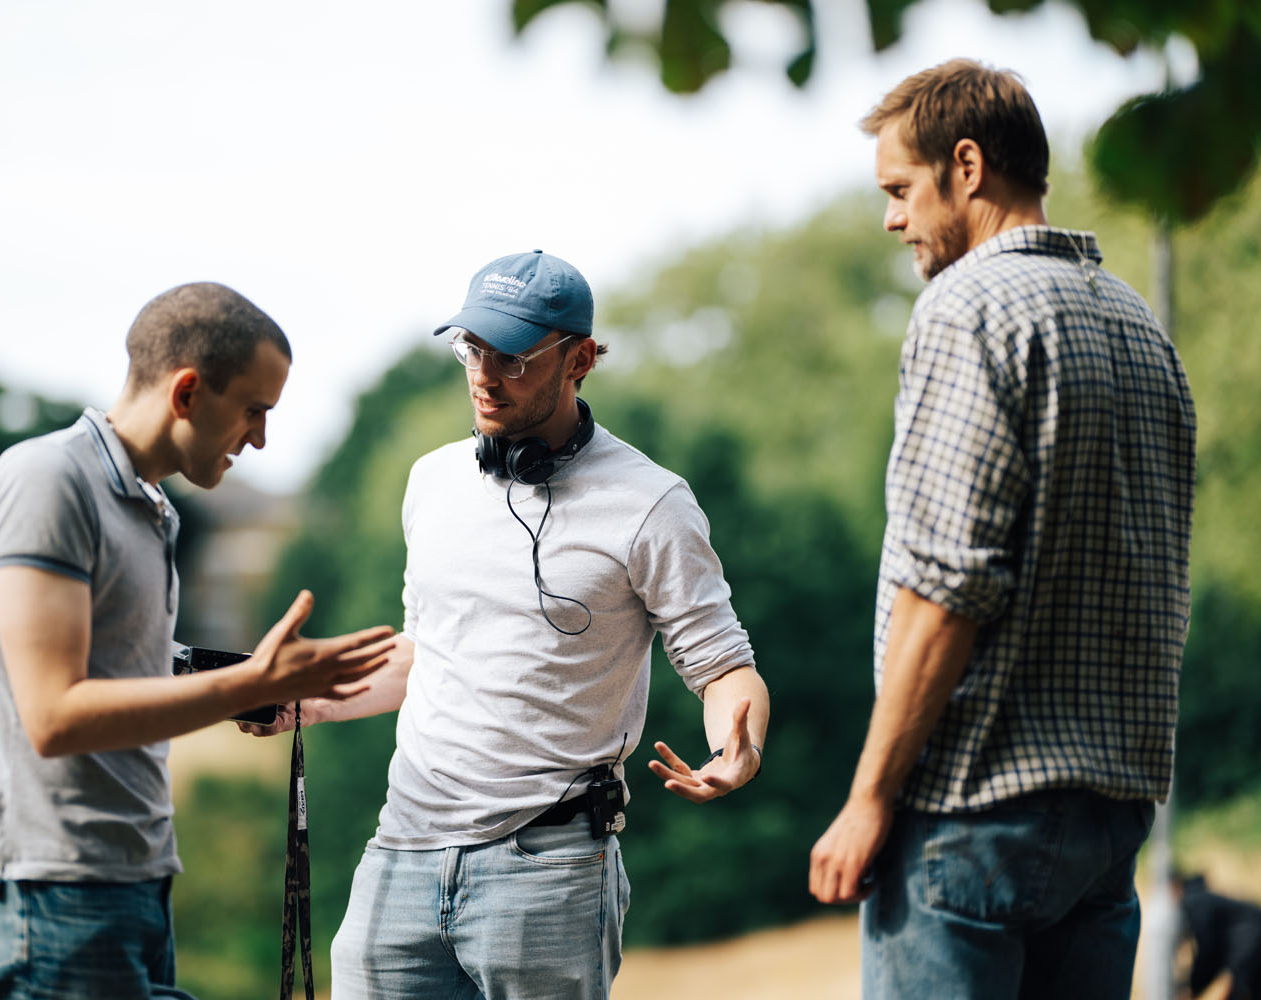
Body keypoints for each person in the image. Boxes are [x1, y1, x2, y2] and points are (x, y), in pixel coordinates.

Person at [245, 250, 769, 999]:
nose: (485, 376)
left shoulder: (652, 502)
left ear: (581, 358)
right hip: (402, 854)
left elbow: (723, 665)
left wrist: (736, 749)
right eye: (472, 349)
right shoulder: (431, 480)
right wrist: (304, 701)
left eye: (515, 359)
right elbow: (426, 653)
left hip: (549, 871)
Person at [806, 59, 1197, 999]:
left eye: (901, 190)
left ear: (967, 166)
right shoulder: (1143, 326)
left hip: (973, 816)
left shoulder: (968, 309)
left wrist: (869, 799)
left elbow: (947, 589)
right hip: (1110, 818)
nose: (893, 218)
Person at [0, 281, 396, 999]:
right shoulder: (49, 482)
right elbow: (53, 718)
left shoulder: (150, 510)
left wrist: (248, 677)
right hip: (45, 887)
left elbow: (119, 672)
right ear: (186, 392)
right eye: (253, 410)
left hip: (130, 881)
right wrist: (258, 681)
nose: (260, 438)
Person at [1175, 874, 1261, 1000]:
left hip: (1250, 937)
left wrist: (1195, 987)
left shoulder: (1194, 902)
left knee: (1236, 987)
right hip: (1249, 937)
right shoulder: (1204, 899)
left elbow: (1207, 947)